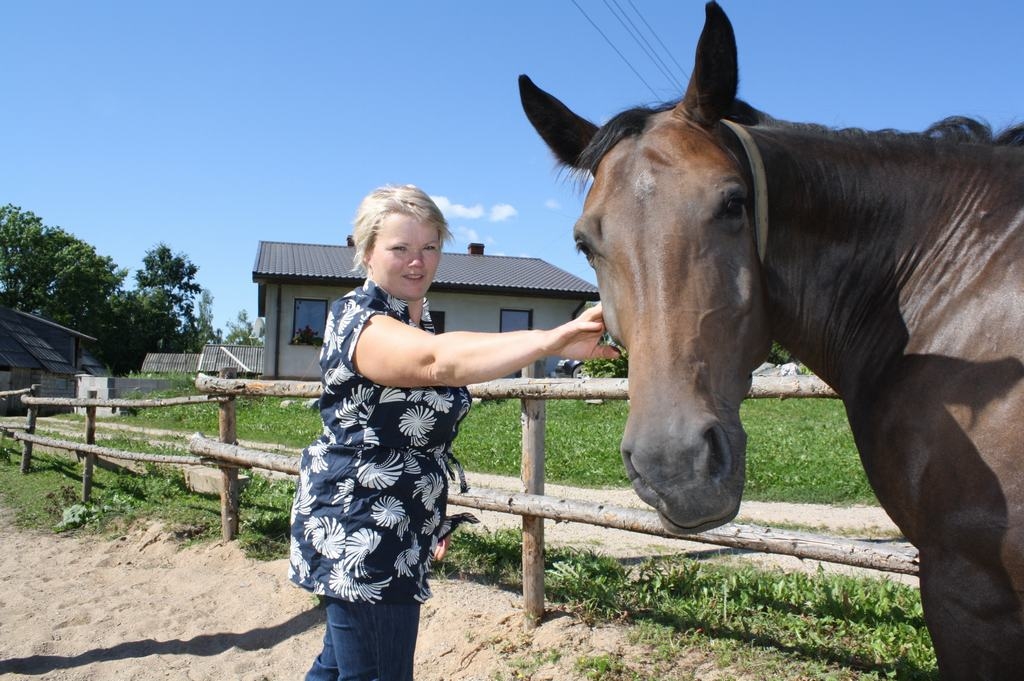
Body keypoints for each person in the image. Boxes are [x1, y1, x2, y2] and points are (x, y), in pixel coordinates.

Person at [289, 184, 619, 681]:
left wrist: (429, 518)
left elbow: (418, 435)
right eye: (400, 248)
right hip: (362, 526)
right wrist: (551, 339)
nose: (417, 261)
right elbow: (437, 362)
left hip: (393, 523)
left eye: (429, 247)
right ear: (366, 252)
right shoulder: (360, 321)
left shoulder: (413, 324)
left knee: (337, 666)